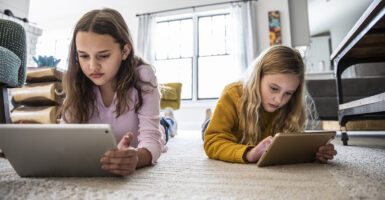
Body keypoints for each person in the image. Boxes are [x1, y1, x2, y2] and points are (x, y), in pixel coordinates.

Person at [59, 8, 166, 176]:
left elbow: (152, 141)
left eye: (103, 56)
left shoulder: (143, 76)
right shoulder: (77, 81)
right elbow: (64, 137)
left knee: (165, 127)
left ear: (124, 51)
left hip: (153, 129)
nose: (92, 66)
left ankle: (169, 119)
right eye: (84, 56)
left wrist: (136, 158)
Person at [203, 45, 337, 164]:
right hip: (225, 128)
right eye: (274, 88)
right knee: (207, 129)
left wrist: (315, 152)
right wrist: (249, 154)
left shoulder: (290, 105)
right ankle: (208, 118)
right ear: (258, 77)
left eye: (288, 93)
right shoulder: (232, 94)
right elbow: (212, 141)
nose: (279, 100)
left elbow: (288, 146)